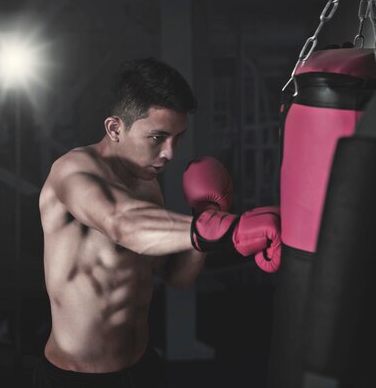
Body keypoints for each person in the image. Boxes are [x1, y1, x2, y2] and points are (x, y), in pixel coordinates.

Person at [33, 57, 281, 388]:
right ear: (115, 128)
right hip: (77, 380)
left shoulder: (146, 182)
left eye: (177, 138)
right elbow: (122, 223)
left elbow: (175, 276)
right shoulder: (72, 172)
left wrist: (205, 216)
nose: (170, 153)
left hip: (143, 367)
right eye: (158, 137)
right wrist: (229, 230)